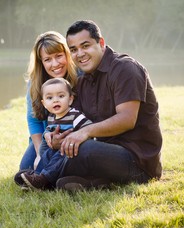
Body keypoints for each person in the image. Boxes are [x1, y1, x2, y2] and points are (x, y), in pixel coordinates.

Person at [46, 20, 162, 191]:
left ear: (101, 43)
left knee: (84, 149)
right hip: (105, 152)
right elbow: (72, 119)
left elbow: (127, 119)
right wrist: (57, 139)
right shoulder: (83, 80)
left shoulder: (125, 68)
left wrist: (85, 132)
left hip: (137, 161)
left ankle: (45, 179)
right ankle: (96, 182)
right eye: (74, 50)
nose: (80, 54)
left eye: (85, 46)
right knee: (67, 147)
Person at [17, 78, 92, 190]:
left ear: (70, 99)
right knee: (47, 154)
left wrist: (77, 138)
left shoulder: (75, 116)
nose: (55, 101)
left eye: (61, 96)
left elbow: (89, 129)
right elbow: (49, 130)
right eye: (50, 98)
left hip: (71, 152)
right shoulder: (52, 117)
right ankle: (35, 178)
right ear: (44, 103)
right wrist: (47, 135)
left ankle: (43, 179)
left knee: (59, 155)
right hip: (56, 149)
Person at [19, 31, 78, 171]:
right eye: (48, 59)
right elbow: (33, 120)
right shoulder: (34, 84)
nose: (55, 64)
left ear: (67, 54)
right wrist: (40, 153)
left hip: (72, 136)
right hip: (46, 139)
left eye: (59, 56)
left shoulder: (78, 77)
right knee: (26, 168)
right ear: (41, 62)